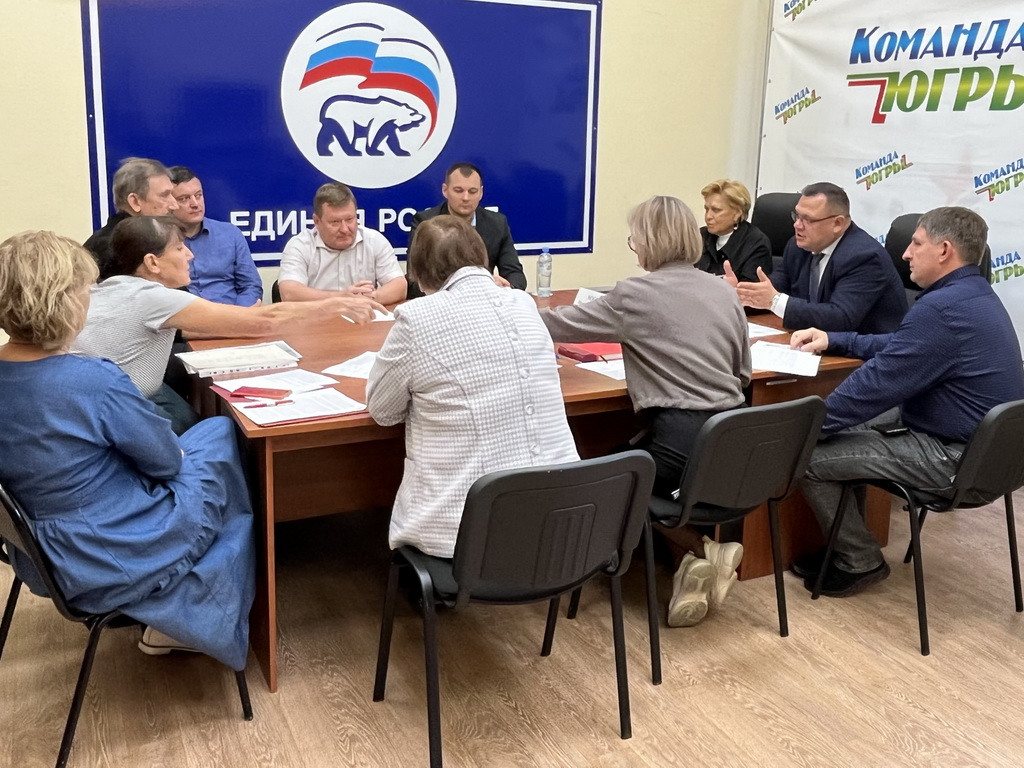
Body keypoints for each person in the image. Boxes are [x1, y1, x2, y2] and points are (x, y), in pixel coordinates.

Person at [0, 230, 256, 668]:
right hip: (108, 553)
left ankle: (182, 610)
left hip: (36, 556)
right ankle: (195, 615)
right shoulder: (91, 380)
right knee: (220, 438)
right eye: (86, 290)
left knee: (207, 446)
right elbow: (165, 462)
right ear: (65, 302)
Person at [789, 207, 1024, 597]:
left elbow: (874, 385)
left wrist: (805, 429)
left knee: (807, 456)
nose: (905, 254)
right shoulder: (975, 294)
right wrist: (835, 339)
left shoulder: (942, 308)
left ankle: (858, 559)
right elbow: (903, 346)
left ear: (944, 250)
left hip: (955, 460)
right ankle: (843, 547)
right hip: (997, 460)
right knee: (841, 430)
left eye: (916, 243)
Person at [539, 195, 751, 627]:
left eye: (634, 239)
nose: (634, 247)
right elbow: (743, 373)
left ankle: (700, 549)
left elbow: (553, 324)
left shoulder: (634, 295)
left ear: (649, 242)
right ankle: (693, 564)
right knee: (640, 470)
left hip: (681, 442)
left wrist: (503, 303)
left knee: (600, 477)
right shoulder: (722, 290)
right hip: (733, 440)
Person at [366, 216, 577, 558]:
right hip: (559, 528)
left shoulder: (418, 318)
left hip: (469, 536)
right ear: (481, 256)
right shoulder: (524, 303)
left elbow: (382, 411)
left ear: (420, 272)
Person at [72, 216, 384, 434]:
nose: (190, 254)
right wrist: (336, 304)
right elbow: (263, 322)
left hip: (83, 414)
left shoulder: (113, 288)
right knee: (221, 430)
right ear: (152, 262)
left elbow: (205, 326)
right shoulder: (152, 297)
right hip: (109, 421)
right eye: (179, 248)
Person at [725, 182, 906, 333]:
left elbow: (841, 318)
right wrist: (739, 294)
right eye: (796, 216)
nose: (797, 225)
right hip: (816, 343)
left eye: (807, 219)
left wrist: (774, 301)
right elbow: (776, 288)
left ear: (837, 223)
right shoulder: (798, 246)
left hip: (865, 354)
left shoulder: (865, 257)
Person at [408, 162, 527, 296]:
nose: (466, 198)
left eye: (472, 191)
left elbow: (515, 275)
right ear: (445, 190)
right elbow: (414, 279)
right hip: (440, 299)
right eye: (458, 191)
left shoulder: (497, 223)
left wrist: (507, 286)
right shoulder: (426, 222)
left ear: (481, 192)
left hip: (484, 298)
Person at [278, 182, 407, 304]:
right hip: (316, 318)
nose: (345, 229)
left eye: (350, 219)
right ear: (317, 221)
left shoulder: (374, 240)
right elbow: (289, 293)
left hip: (363, 317)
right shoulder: (299, 246)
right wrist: (343, 298)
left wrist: (371, 298)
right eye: (335, 222)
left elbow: (400, 286)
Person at [168, 165, 263, 306]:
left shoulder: (230, 234)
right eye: (184, 199)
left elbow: (251, 285)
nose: (195, 204)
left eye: (198, 195)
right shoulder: (160, 240)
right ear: (169, 203)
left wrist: (240, 313)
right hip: (187, 315)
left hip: (234, 313)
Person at [84, 157, 179, 279]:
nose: (175, 205)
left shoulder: (150, 239)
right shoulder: (115, 249)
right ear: (135, 201)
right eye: (164, 195)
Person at [697, 179, 772, 283]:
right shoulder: (699, 236)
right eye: (706, 209)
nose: (708, 216)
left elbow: (751, 289)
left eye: (716, 210)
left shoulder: (756, 243)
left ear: (737, 213)